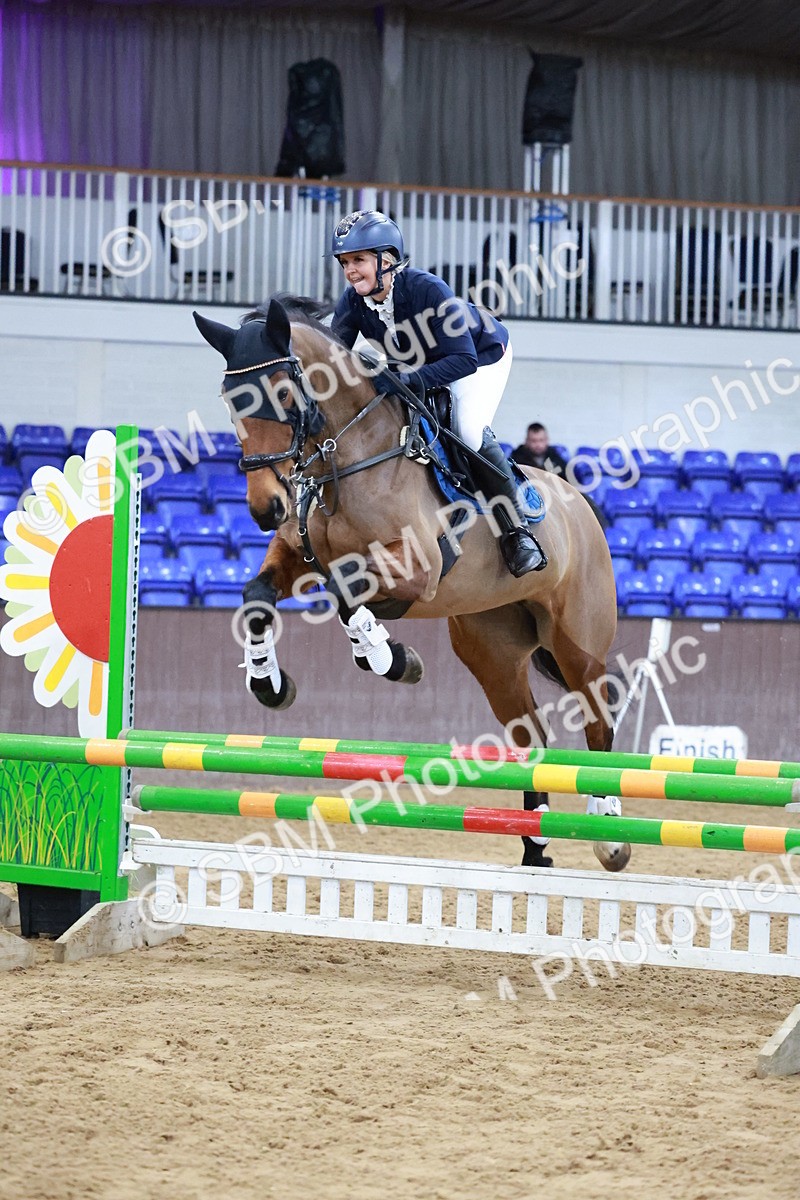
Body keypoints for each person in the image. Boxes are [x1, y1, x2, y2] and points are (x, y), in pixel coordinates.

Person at [330, 210, 546, 576]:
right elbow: (335, 359)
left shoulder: (426, 290)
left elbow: (462, 360)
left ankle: (516, 532)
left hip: (481, 357)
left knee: (468, 429)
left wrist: (408, 380)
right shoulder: (353, 302)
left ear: (387, 260)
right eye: (345, 262)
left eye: (359, 260)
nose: (351, 271)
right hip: (422, 365)